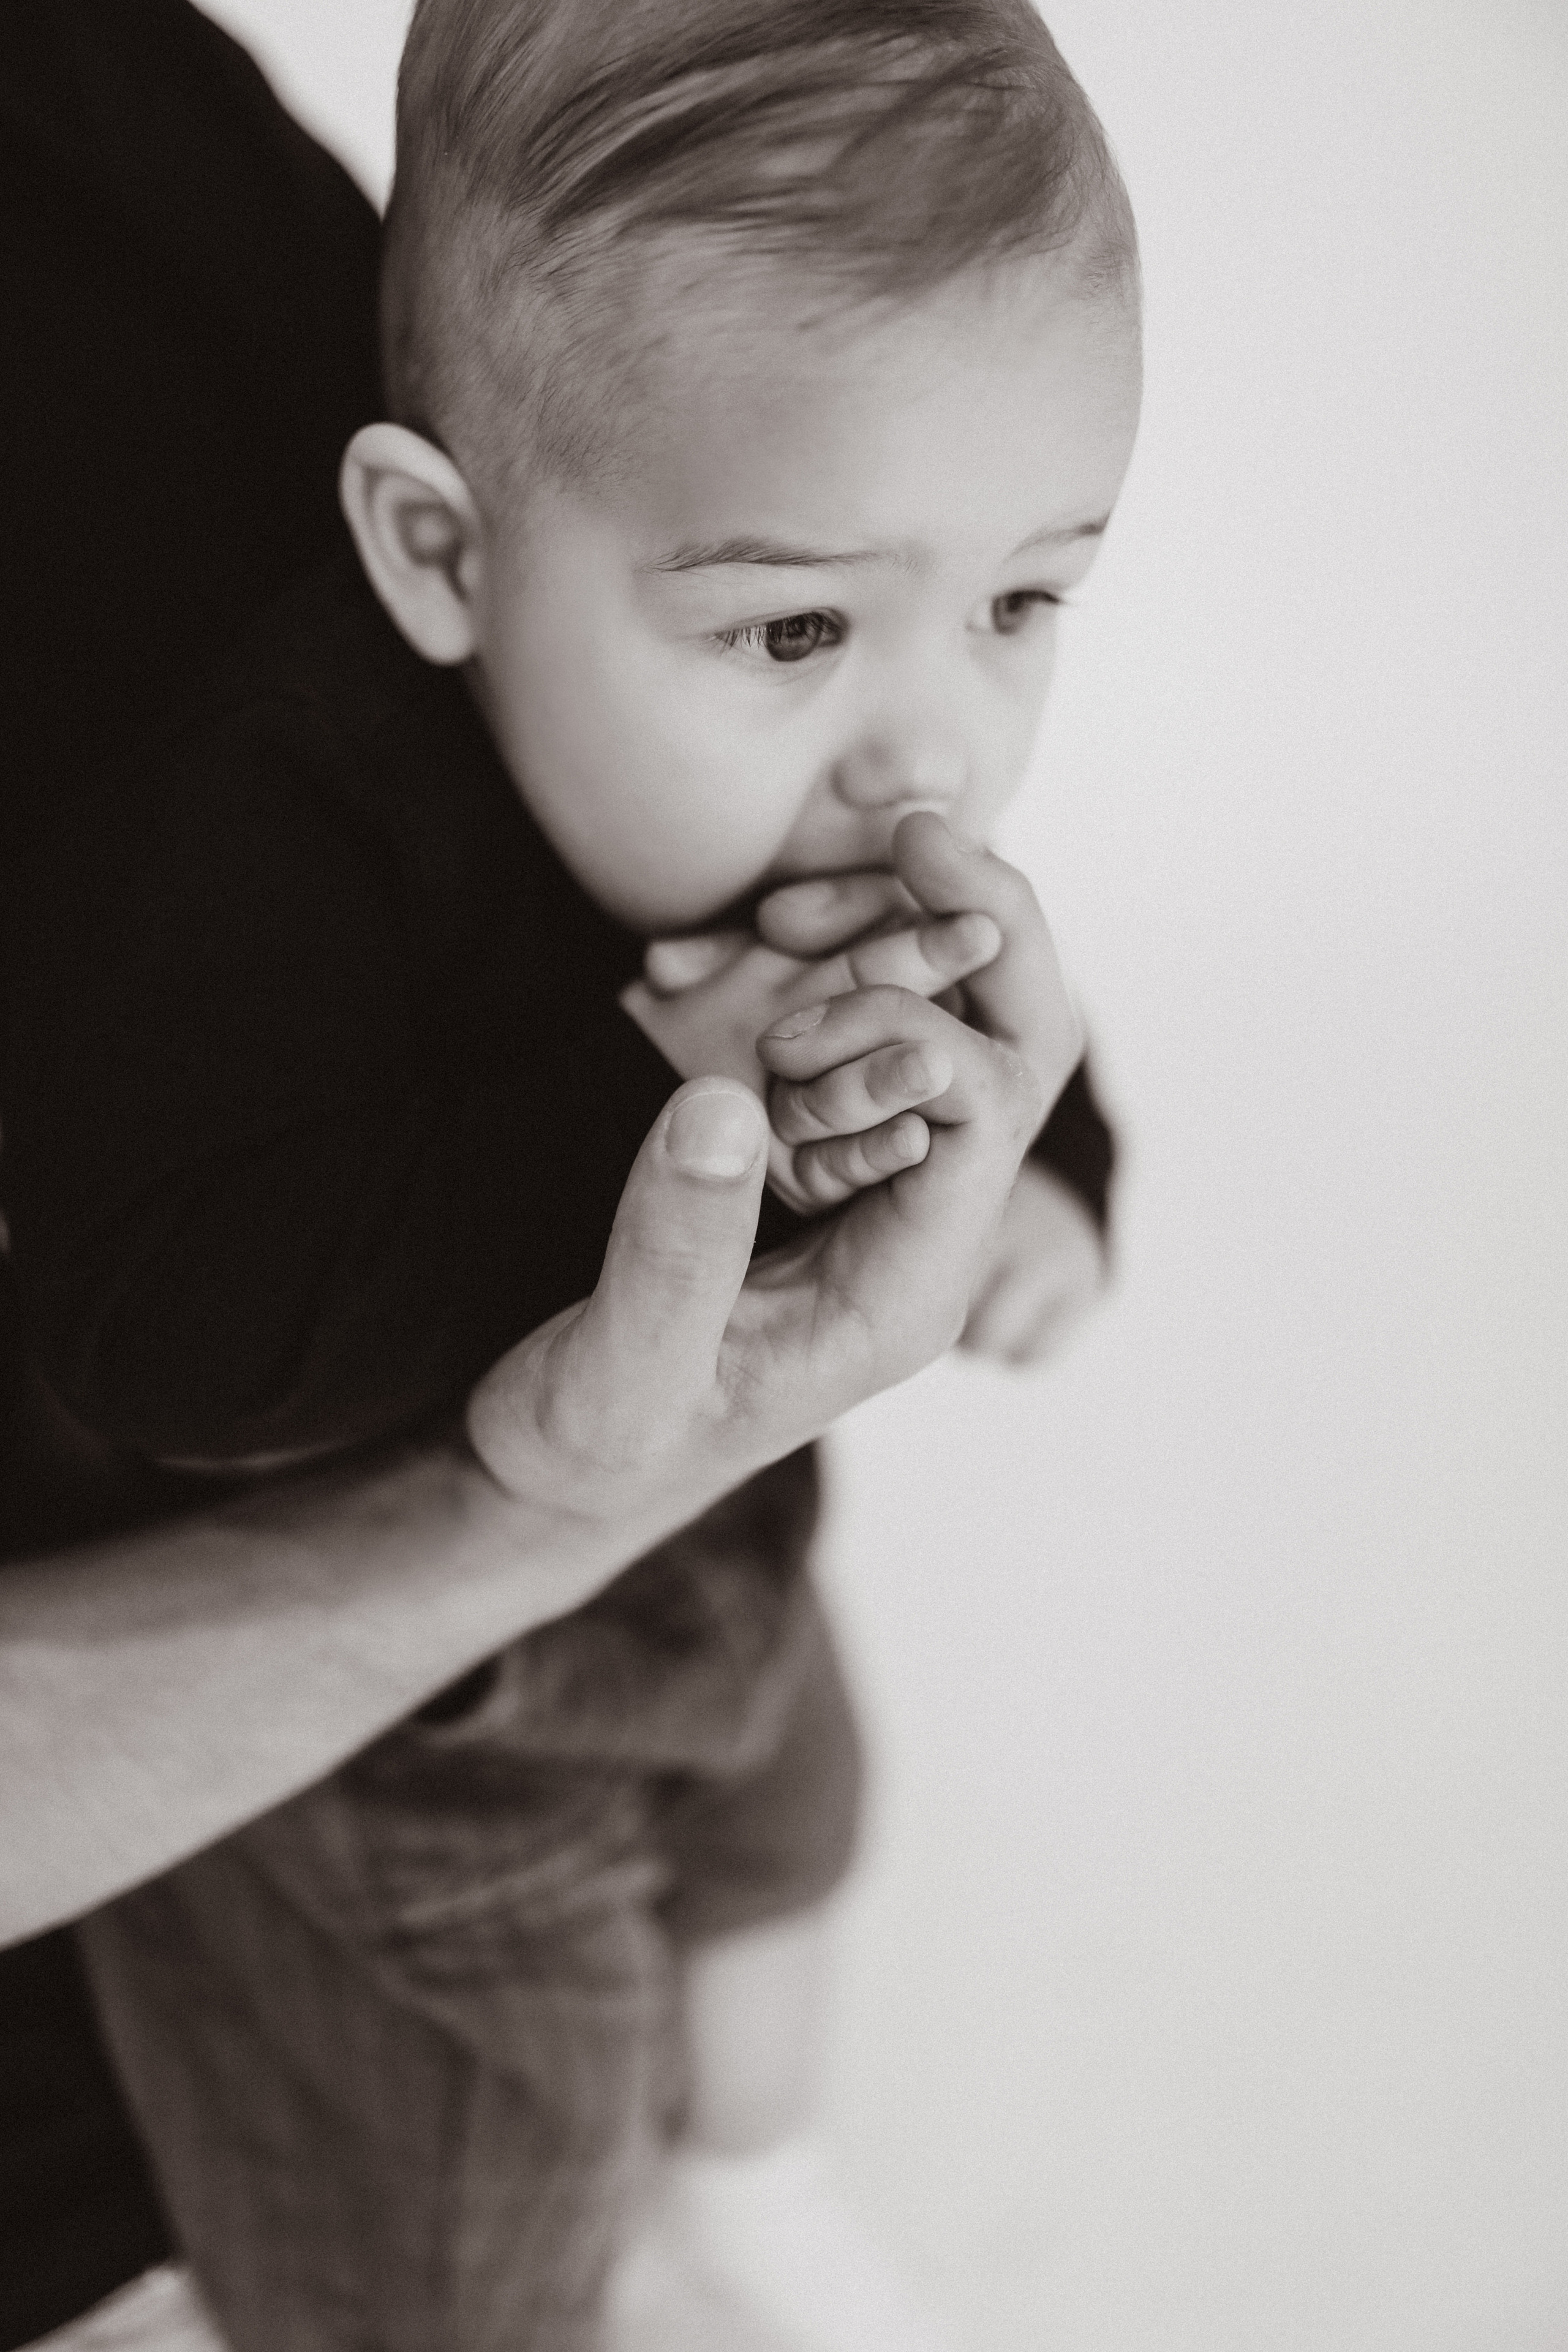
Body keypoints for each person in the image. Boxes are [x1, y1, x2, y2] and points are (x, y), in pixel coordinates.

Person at [1, 2, 1136, 2346]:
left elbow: (988, 977)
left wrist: (1056, 1159)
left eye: (1026, 599)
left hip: (720, 1544)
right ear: (443, 553)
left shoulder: (779, 765)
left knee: (791, 1830)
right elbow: (170, 1332)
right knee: (469, 2194)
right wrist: (647, 1075)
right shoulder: (267, 833)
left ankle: (757, 2178)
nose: (935, 744)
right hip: (389, 1752)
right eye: (802, 625)